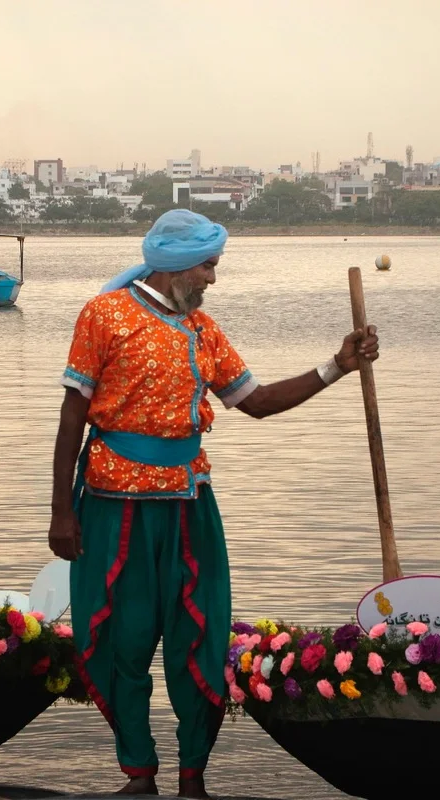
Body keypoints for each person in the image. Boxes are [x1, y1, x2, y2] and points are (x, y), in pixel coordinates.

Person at [48, 209, 379, 798]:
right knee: (122, 640)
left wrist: (338, 366)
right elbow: (73, 416)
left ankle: (194, 777)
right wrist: (60, 512)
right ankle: (138, 774)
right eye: (208, 265)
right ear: (176, 266)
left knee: (197, 637)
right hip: (114, 508)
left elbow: (258, 402)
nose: (212, 279)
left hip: (188, 507)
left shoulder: (204, 332)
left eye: (214, 265)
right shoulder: (104, 316)